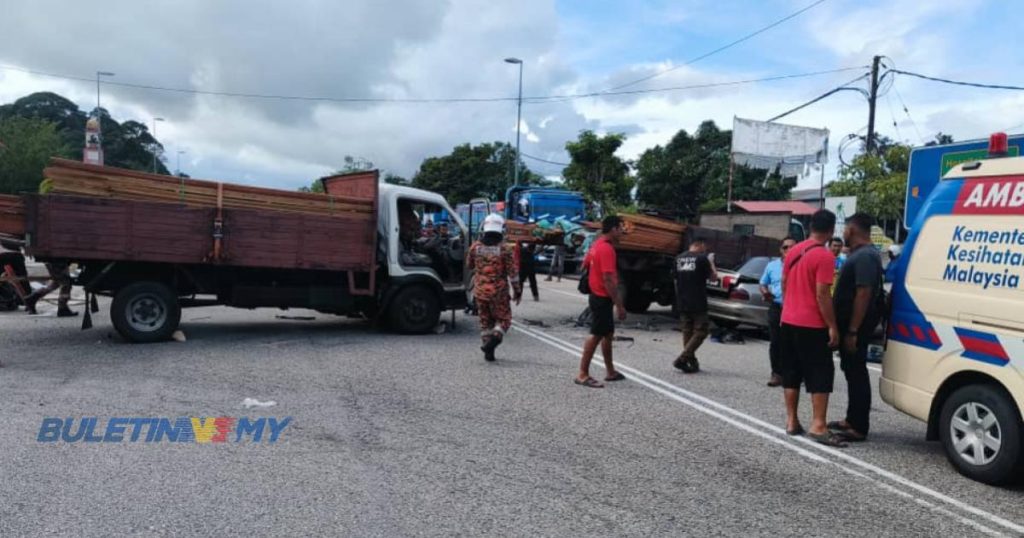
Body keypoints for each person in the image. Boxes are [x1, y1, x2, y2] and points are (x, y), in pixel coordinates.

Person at [779, 209, 845, 447]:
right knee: (820, 373)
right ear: (830, 231)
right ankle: (818, 425)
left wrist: (789, 307)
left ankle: (791, 421)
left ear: (810, 227)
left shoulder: (793, 251)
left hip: (788, 320)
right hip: (812, 324)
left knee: (791, 371)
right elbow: (822, 294)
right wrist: (832, 326)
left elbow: (784, 283)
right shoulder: (825, 257)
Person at [829, 213, 883, 442]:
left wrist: (852, 330)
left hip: (856, 328)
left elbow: (864, 293)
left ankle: (858, 426)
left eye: (845, 229)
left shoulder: (865, 257)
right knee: (851, 372)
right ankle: (851, 418)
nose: (843, 233)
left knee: (857, 373)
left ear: (852, 229)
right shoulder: (861, 254)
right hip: (852, 326)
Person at [575, 216, 627, 388]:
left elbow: (584, 266)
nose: (623, 231)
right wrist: (619, 305)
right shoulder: (606, 249)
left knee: (607, 334)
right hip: (602, 297)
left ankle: (610, 371)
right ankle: (582, 374)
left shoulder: (596, 245)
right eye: (621, 228)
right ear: (613, 229)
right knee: (596, 334)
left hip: (596, 295)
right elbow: (609, 279)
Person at [466, 213, 522, 362]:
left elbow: (469, 265)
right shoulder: (504, 249)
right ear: (500, 230)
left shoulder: (475, 247)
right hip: (499, 293)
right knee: (504, 320)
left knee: (485, 322)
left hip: (480, 291)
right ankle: (494, 342)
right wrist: (517, 290)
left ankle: (488, 351)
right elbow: (513, 273)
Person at [672, 237, 717, 374]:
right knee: (702, 331)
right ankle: (682, 358)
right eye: (705, 247)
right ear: (700, 245)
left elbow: (675, 278)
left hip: (682, 300)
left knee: (687, 331)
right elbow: (713, 277)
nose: (705, 250)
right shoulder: (702, 259)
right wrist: (711, 262)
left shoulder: (678, 258)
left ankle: (690, 362)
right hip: (698, 300)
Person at [759, 236, 797, 387]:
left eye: (792, 246)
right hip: (777, 306)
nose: (789, 250)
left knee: (793, 342)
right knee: (776, 341)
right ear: (781, 250)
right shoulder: (772, 266)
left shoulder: (801, 265)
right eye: (785, 247)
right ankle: (776, 373)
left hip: (794, 307)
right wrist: (765, 292)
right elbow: (763, 283)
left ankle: (792, 373)